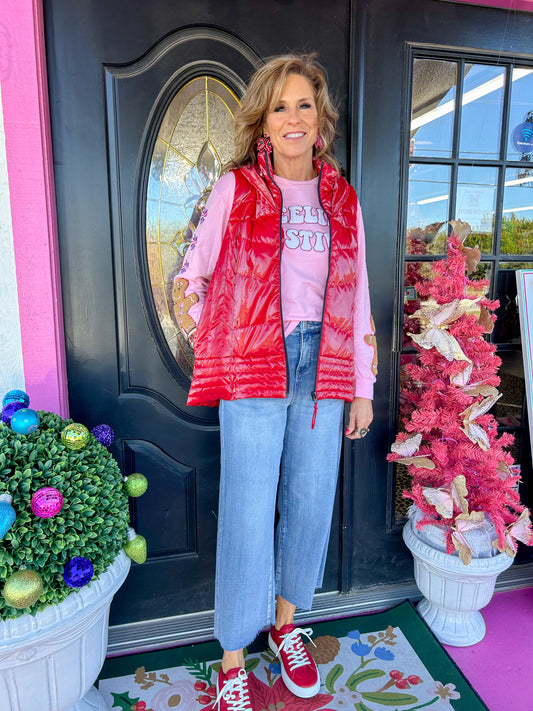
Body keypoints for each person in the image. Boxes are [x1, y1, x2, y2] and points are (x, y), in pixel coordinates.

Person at [174, 53, 377, 711]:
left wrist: (363, 385)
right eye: (281, 105)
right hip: (253, 361)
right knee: (247, 507)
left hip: (323, 364)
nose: (293, 117)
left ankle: (285, 624)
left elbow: (358, 296)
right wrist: (222, 335)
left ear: (321, 122)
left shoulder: (342, 199)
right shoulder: (237, 189)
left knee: (312, 498)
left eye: (305, 105)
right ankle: (234, 652)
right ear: (263, 120)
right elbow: (190, 280)